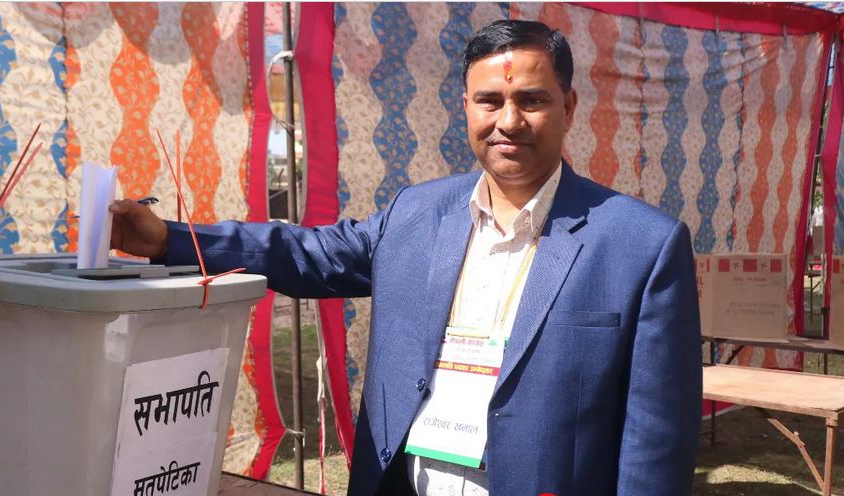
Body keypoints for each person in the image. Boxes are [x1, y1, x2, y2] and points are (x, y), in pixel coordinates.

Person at [111, 20, 701, 496]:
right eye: (490, 100)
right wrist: (168, 240)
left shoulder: (640, 246)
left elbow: (656, 439)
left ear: (568, 106)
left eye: (532, 100)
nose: (508, 121)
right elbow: (307, 253)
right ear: (466, 106)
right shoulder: (416, 214)